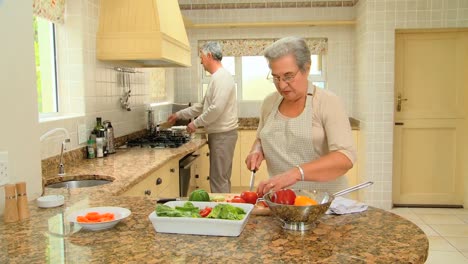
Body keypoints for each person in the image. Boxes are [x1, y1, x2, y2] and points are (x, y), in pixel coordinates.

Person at [245, 36, 356, 197]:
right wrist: (256, 150)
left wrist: (295, 173)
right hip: (283, 203)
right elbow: (261, 138)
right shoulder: (269, 103)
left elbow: (345, 158)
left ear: (307, 68)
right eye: (276, 77)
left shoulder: (327, 102)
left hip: (326, 205)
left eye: (288, 76)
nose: (282, 85)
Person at [168, 41, 238, 193]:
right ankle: (223, 209)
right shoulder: (217, 78)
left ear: (209, 55)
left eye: (201, 57)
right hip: (219, 135)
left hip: (223, 135)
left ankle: (223, 212)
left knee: (219, 179)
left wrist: (195, 124)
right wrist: (178, 114)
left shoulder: (221, 78)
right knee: (219, 177)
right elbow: (202, 106)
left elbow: (216, 108)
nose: (201, 61)